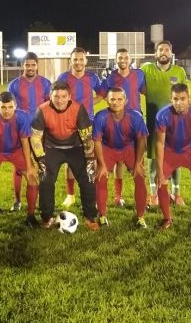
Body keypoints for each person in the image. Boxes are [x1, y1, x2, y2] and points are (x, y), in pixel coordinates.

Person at [30, 80, 100, 231]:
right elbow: (35, 137)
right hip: (52, 148)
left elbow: (87, 136)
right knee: (46, 180)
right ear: (50, 96)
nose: (60, 100)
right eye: (56, 96)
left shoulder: (78, 109)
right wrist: (40, 159)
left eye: (63, 96)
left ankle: (90, 217)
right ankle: (47, 217)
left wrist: (90, 158)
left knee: (88, 179)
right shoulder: (42, 110)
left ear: (69, 97)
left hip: (76, 148)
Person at [154, 83, 191, 231]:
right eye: (175, 99)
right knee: (161, 182)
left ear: (190, 99)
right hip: (170, 150)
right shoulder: (162, 115)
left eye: (182, 99)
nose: (179, 103)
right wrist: (159, 171)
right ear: (171, 99)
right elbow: (160, 143)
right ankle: (167, 218)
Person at [0, 92, 40, 227]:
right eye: (3, 107)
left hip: (17, 151)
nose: (7, 111)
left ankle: (31, 216)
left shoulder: (23, 117)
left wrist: (29, 166)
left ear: (15, 106)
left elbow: (25, 142)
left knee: (32, 178)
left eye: (10, 107)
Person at [141, 40, 188, 207]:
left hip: (176, 123)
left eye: (167, 50)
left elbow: (186, 96)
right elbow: (137, 87)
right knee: (153, 157)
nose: (164, 52)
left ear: (171, 53)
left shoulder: (179, 71)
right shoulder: (146, 69)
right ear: (156, 53)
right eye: (160, 49)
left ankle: (176, 193)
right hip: (153, 122)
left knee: (175, 156)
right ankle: (154, 194)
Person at [93, 87, 149, 228]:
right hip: (108, 148)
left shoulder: (135, 116)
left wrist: (138, 163)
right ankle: (102, 215)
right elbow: (97, 141)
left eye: (119, 99)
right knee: (101, 177)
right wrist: (101, 164)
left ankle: (140, 217)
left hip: (129, 148)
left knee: (140, 176)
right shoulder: (100, 116)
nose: (116, 102)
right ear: (107, 100)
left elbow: (142, 140)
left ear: (125, 101)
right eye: (112, 99)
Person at [56, 47, 104, 207]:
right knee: (70, 159)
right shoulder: (63, 77)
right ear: (70, 61)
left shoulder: (92, 77)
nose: (78, 62)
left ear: (86, 61)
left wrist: (89, 103)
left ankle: (92, 195)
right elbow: (57, 96)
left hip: (88, 123)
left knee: (91, 159)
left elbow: (102, 94)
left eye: (81, 59)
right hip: (68, 123)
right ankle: (70, 195)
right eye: (75, 59)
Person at [101, 48, 147, 207]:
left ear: (130, 59)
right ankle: (118, 196)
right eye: (120, 58)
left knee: (139, 159)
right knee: (118, 160)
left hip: (135, 121)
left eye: (126, 57)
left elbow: (146, 91)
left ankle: (142, 198)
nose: (123, 60)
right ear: (116, 60)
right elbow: (104, 95)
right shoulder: (111, 77)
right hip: (116, 121)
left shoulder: (139, 74)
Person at [7, 52, 51, 211]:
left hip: (40, 131)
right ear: (22, 65)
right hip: (20, 131)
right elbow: (9, 110)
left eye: (33, 65)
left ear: (37, 65)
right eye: (27, 65)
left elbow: (49, 107)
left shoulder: (46, 83)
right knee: (19, 166)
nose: (30, 68)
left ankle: (42, 199)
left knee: (42, 164)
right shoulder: (14, 85)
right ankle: (17, 200)